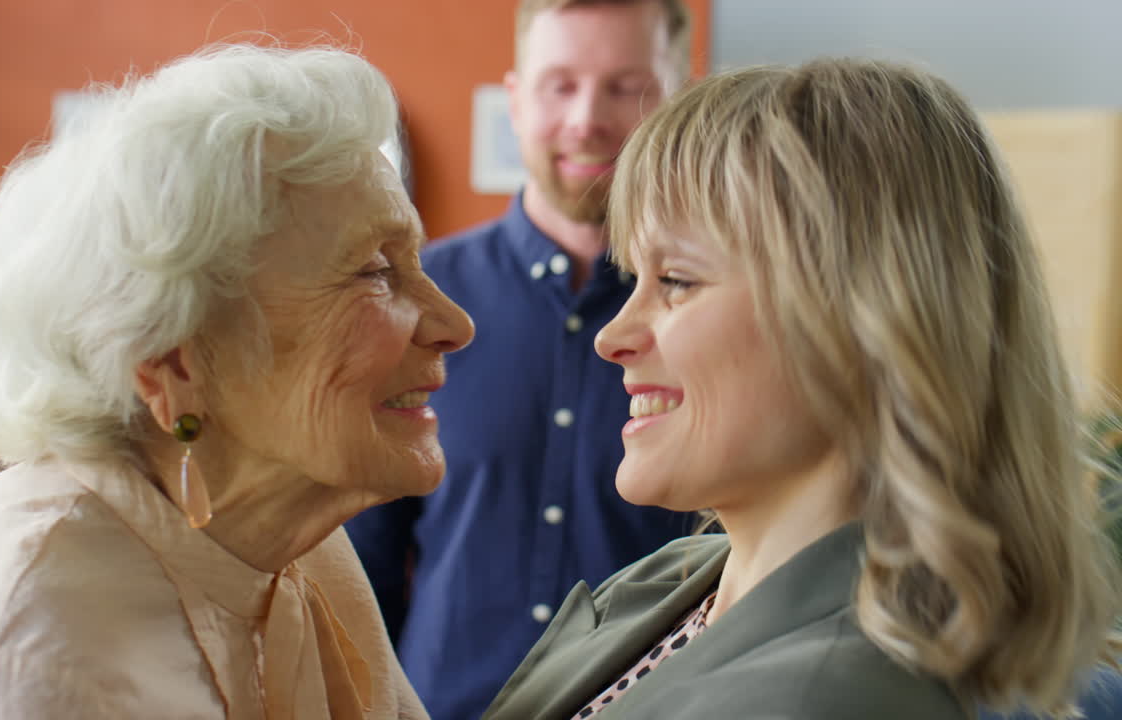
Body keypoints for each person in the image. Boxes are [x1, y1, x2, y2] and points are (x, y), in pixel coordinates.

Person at [0, 43, 474, 719]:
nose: (454, 323)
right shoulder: (23, 659)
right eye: (376, 271)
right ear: (176, 363)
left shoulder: (300, 550)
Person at [481, 58, 1122, 720]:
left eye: (676, 279)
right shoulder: (667, 579)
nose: (612, 335)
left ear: (862, 323)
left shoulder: (833, 696)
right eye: (632, 277)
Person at [344, 2, 697, 717]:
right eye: (559, 85)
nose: (586, 119)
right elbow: (359, 574)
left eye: (625, 85)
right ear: (514, 99)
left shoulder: (716, 318)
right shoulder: (412, 303)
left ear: (677, 98)